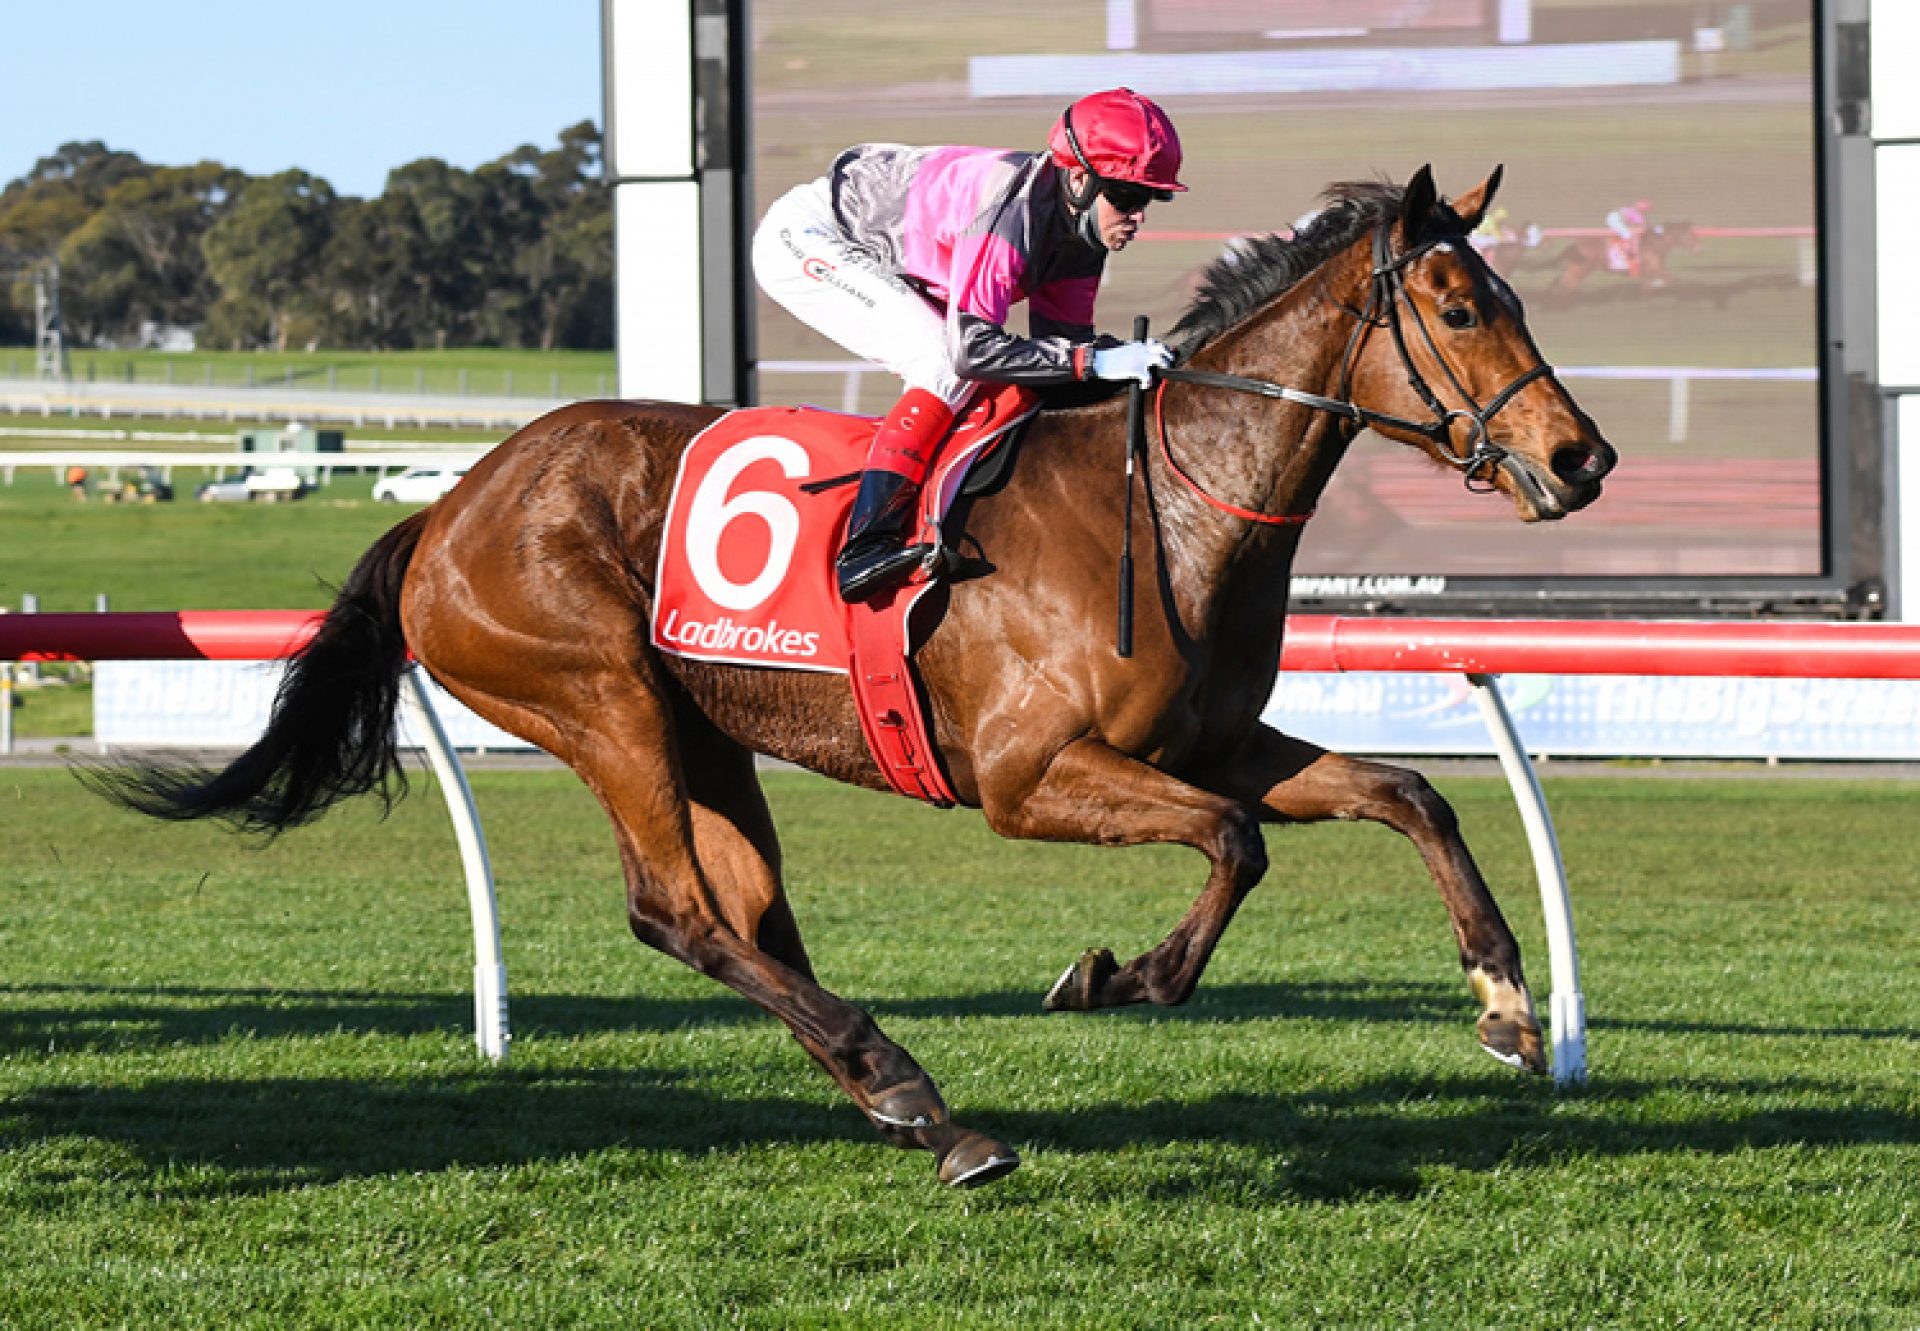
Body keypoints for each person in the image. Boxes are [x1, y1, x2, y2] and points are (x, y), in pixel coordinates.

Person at [752, 87, 1186, 603]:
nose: (1138, 216)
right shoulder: (1013, 211)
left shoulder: (1080, 238)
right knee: (943, 363)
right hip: (810, 238)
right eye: (1128, 198)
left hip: (880, 251)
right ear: (1078, 179)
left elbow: (1059, 352)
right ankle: (866, 545)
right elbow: (972, 350)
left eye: (1150, 200)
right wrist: (1094, 360)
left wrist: (1109, 364)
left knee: (1016, 379)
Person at [1604, 198, 1652, 274]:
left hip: (1616, 220)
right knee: (1628, 235)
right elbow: (1626, 218)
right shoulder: (1630, 211)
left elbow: (1642, 226)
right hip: (1614, 219)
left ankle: (1629, 254)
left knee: (1629, 235)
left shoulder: (1639, 216)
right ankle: (1628, 253)